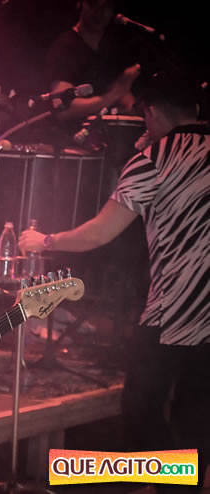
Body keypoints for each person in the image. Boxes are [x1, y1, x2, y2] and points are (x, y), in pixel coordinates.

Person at [19, 71, 210, 492]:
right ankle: (185, 484)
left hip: (175, 314)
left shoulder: (154, 159)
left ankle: (174, 484)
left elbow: (99, 233)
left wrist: (45, 240)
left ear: (151, 113)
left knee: (140, 409)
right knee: (196, 414)